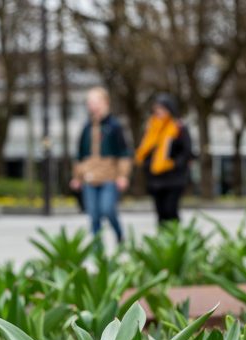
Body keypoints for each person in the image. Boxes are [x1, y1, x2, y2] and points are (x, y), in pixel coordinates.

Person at [70, 87, 130, 245]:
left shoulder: (114, 126)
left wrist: (122, 175)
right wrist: (77, 177)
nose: (92, 105)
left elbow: (124, 153)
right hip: (89, 177)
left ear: (105, 103)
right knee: (93, 215)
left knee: (108, 209)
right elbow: (80, 155)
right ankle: (98, 251)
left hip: (109, 176)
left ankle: (119, 235)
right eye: (89, 102)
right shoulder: (87, 127)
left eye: (95, 101)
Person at [134, 94, 192, 225]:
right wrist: (148, 165)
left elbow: (186, 152)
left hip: (174, 178)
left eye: (161, 109)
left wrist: (173, 164)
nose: (158, 113)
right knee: (160, 213)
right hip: (155, 178)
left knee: (170, 210)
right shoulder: (151, 128)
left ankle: (175, 239)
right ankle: (162, 242)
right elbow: (146, 151)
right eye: (156, 110)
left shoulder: (178, 128)